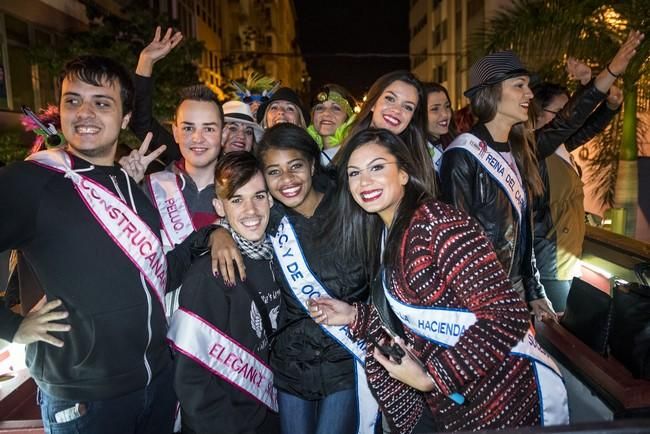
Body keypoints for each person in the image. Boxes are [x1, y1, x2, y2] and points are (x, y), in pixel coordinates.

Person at [0, 55, 216, 434]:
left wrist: (215, 234)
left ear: (125, 118)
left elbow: (158, 276)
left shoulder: (127, 184)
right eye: (73, 100)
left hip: (156, 383)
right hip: (87, 401)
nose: (85, 112)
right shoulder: (33, 181)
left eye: (102, 102)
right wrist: (11, 326)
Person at [309, 128, 569, 433]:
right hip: (458, 403)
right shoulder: (388, 232)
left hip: (504, 394)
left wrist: (433, 377)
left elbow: (506, 315)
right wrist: (354, 315)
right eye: (354, 173)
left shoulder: (438, 223)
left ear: (404, 173)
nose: (364, 181)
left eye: (377, 167)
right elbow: (415, 323)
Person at [213, 123, 375, 434]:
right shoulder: (270, 219)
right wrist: (216, 233)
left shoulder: (352, 206)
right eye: (273, 172)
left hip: (345, 358)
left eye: (295, 166)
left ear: (313, 165)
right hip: (291, 364)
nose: (286, 180)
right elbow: (234, 222)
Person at [439, 51, 558, 321]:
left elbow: (525, 233)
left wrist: (534, 291)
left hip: (514, 295)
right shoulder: (462, 155)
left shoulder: (520, 152)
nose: (529, 94)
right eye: (519, 85)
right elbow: (456, 247)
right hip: (480, 300)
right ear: (491, 93)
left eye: (528, 86)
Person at [169, 151, 281, 434]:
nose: (251, 210)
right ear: (219, 206)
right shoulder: (208, 273)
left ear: (270, 198)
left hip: (269, 417)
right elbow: (191, 377)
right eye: (236, 199)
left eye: (258, 196)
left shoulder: (279, 257)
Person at [335, 70, 436, 194]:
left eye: (407, 107)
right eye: (390, 99)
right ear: (373, 103)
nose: (397, 110)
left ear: (412, 118)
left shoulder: (417, 164)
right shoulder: (343, 154)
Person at [306, 83, 357, 165]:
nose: (326, 113)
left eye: (336, 108)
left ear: (348, 118)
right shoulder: (306, 155)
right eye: (319, 108)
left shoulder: (357, 153)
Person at [423, 82, 457, 174]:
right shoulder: (411, 154)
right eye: (435, 109)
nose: (445, 114)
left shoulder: (457, 142)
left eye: (447, 106)